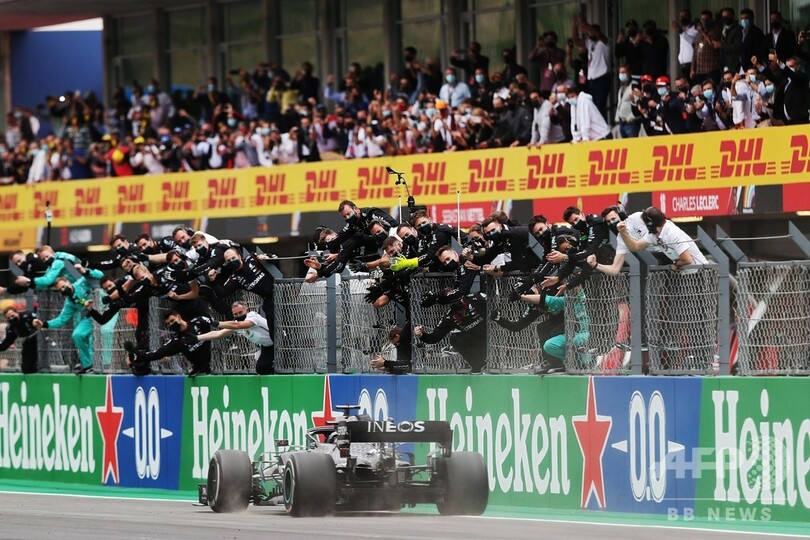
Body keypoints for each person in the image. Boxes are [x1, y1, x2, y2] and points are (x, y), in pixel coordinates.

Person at [33, 266, 103, 374]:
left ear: (68, 282)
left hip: (103, 309)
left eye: (63, 286)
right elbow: (61, 320)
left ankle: (104, 364)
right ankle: (88, 365)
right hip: (91, 316)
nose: (63, 289)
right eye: (60, 289)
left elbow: (100, 275)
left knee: (99, 337)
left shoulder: (82, 282)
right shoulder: (69, 302)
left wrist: (86, 271)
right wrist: (44, 324)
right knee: (77, 335)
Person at [124, 310, 215, 376]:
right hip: (199, 370)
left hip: (213, 365)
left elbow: (218, 326)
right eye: (168, 324)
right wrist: (137, 355)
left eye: (172, 321)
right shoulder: (176, 340)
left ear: (179, 317)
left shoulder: (198, 321)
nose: (171, 324)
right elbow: (157, 354)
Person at [414, 292, 487, 373]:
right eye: (459, 312)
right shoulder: (450, 317)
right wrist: (422, 335)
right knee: (455, 338)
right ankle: (478, 365)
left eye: (462, 308)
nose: (463, 313)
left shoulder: (475, 300)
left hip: (491, 334)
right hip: (477, 341)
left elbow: (493, 305)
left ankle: (490, 361)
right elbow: (434, 337)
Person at [195, 301, 274, 375]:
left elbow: (239, 325)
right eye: (235, 314)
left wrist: (214, 322)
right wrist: (196, 338)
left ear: (247, 310)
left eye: (240, 312)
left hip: (276, 342)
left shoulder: (253, 316)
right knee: (261, 369)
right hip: (267, 347)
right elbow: (218, 334)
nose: (238, 315)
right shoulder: (236, 324)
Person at [572, 15, 611, 118]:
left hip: (602, 79)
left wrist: (585, 24)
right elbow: (576, 41)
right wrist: (574, 27)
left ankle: (602, 127)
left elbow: (597, 34)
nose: (589, 33)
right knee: (592, 107)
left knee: (600, 107)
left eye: (591, 31)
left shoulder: (605, 42)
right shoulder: (590, 43)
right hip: (592, 80)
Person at [0, 305, 39, 374]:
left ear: (17, 313)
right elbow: (6, 343)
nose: (11, 318)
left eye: (13, 316)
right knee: (26, 368)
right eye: (9, 318)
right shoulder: (12, 327)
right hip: (29, 343)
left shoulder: (27, 315)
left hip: (39, 338)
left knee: (28, 343)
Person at [672, 9, 699, 80]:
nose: (682, 18)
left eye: (684, 16)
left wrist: (680, 30)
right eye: (680, 16)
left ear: (689, 17)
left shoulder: (695, 29)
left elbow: (692, 41)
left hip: (692, 64)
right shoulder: (683, 29)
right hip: (683, 65)